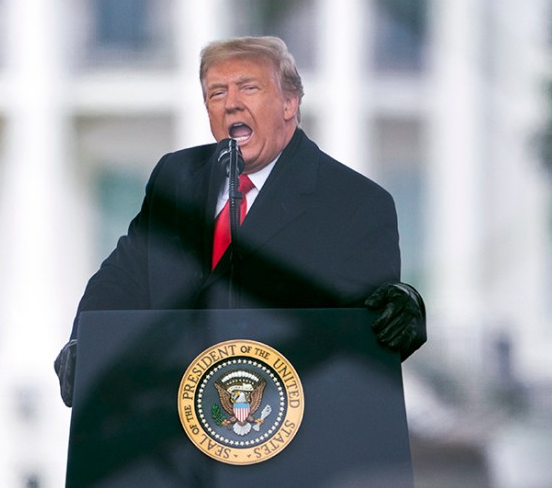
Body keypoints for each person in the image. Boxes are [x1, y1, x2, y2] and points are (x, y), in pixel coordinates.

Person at [55, 36, 426, 407]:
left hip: (288, 430)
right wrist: (84, 345)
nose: (231, 103)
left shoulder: (355, 202)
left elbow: (371, 326)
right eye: (217, 93)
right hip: (169, 426)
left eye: (249, 87)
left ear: (289, 103)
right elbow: (124, 278)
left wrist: (403, 309)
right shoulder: (176, 176)